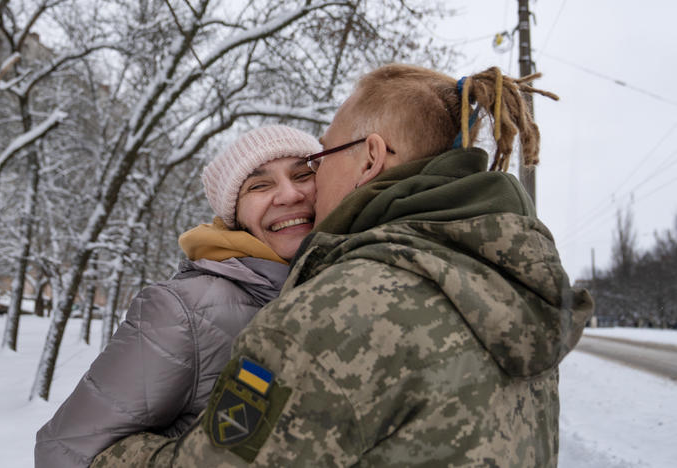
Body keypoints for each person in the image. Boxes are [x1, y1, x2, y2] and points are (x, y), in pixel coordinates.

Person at [92, 65, 594, 467]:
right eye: (260, 185)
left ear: (370, 158)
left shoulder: (335, 309)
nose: (306, 184)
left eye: (320, 157)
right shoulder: (506, 280)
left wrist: (111, 459)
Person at [35, 125, 322, 467]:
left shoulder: (348, 291)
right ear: (235, 216)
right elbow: (65, 450)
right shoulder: (184, 311)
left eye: (303, 175)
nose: (289, 195)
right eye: (259, 185)